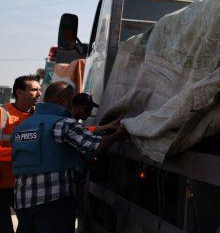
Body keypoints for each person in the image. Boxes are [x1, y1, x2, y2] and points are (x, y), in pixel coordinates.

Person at [12, 82, 126, 233]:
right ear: (65, 101)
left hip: (23, 201)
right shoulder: (64, 124)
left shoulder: (23, 126)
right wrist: (118, 135)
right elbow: (95, 147)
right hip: (54, 203)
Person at [0, 76, 41, 233]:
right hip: (3, 185)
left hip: (27, 184)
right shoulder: (2, 114)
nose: (39, 93)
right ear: (19, 92)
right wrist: (21, 154)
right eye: (34, 90)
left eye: (40, 89)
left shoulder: (38, 116)